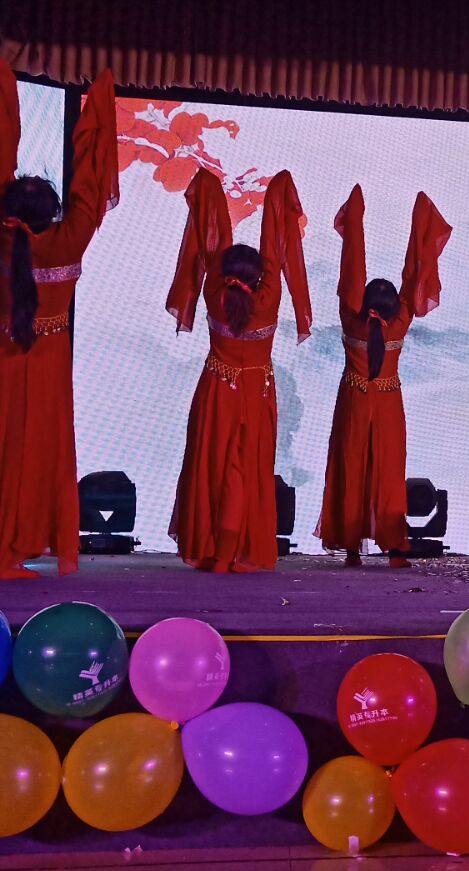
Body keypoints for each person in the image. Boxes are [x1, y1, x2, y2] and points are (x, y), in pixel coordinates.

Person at [0, 58, 117, 579]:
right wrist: (98, 112)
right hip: (45, 363)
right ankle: (8, 555)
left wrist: (2, 90)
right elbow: (90, 188)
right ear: (54, 212)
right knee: (33, 454)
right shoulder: (70, 237)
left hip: (0, 352)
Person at [165, 167, 311, 573]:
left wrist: (210, 193)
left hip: (217, 390)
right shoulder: (270, 297)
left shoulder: (214, 292)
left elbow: (214, 247)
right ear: (262, 277)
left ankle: (214, 549)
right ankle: (232, 551)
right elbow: (274, 251)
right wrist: (277, 197)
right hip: (257, 393)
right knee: (246, 473)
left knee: (214, 469)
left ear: (222, 271)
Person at [317, 185, 451, 568]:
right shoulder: (401, 321)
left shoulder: (350, 317)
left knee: (351, 466)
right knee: (389, 473)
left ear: (361, 302)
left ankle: (352, 549)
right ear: (393, 307)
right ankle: (394, 549)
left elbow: (351, 271)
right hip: (389, 403)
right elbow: (414, 275)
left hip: (354, 400)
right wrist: (421, 226)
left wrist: (355, 224)